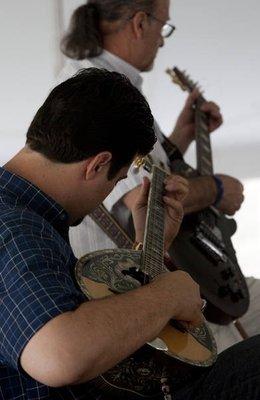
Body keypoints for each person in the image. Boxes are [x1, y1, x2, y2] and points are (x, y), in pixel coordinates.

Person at [1, 68, 260, 400]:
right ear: (97, 164)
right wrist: (170, 294)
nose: (109, 191)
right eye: (115, 179)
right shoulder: (16, 225)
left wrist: (150, 247)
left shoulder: (26, 217)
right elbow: (58, 355)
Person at [58, 0, 260, 353]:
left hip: (146, 281)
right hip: (133, 289)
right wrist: (214, 189)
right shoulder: (103, 91)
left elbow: (137, 171)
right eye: (163, 27)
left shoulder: (98, 82)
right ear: (139, 22)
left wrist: (179, 136)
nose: (163, 41)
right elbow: (141, 201)